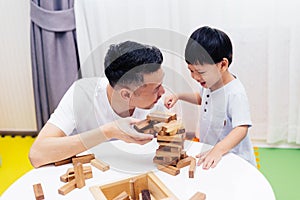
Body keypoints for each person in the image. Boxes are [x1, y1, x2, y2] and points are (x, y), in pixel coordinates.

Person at [29, 41, 166, 168]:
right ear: (126, 94)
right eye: (156, 88)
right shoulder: (82, 94)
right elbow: (37, 155)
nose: (162, 92)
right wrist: (108, 131)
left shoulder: (156, 101)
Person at [164, 26, 256, 169]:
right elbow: (202, 98)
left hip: (233, 157)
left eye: (200, 72)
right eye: (191, 70)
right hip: (211, 151)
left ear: (223, 65)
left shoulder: (235, 93)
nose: (195, 77)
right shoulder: (210, 83)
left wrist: (218, 149)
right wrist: (179, 96)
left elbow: (241, 128)